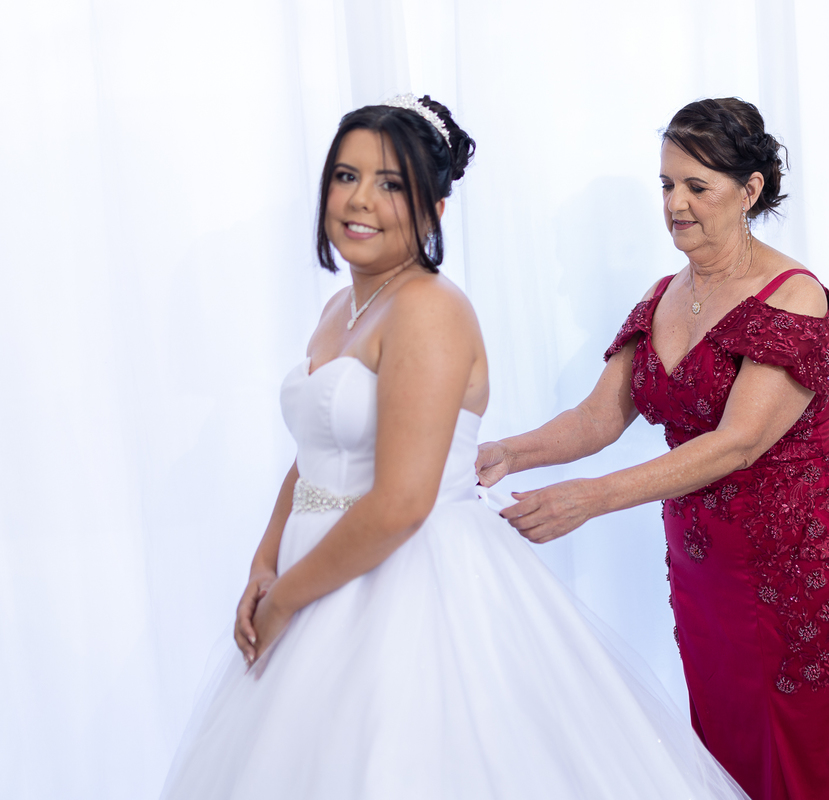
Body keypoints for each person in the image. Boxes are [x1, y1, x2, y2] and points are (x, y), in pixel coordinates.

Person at [158, 94, 751, 800]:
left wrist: (284, 599)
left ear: (435, 210)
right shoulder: (340, 309)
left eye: (391, 184)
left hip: (405, 580)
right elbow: (313, 450)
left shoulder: (429, 308)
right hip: (314, 571)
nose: (360, 199)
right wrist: (265, 561)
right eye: (346, 176)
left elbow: (402, 503)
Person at [476, 98, 829, 800]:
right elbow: (596, 418)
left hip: (794, 573)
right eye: (667, 184)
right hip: (704, 575)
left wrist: (591, 498)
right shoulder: (664, 294)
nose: (675, 204)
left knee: (805, 764)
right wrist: (506, 453)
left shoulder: (794, 298)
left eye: (697, 186)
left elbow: (738, 443)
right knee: (723, 756)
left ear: (749, 190)